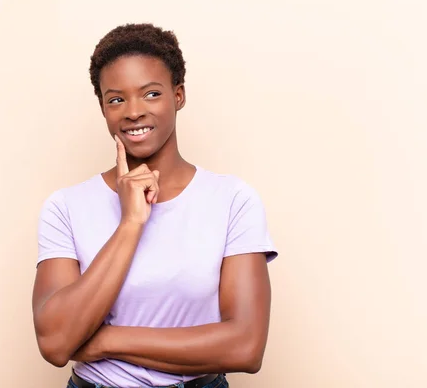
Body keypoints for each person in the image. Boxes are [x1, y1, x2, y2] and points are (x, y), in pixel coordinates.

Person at [32, 23, 278, 388]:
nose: (133, 111)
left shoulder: (232, 201)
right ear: (103, 107)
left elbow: (245, 347)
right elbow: (55, 343)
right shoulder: (65, 207)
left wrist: (103, 341)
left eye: (150, 94)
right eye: (116, 99)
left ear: (178, 95)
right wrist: (131, 223)